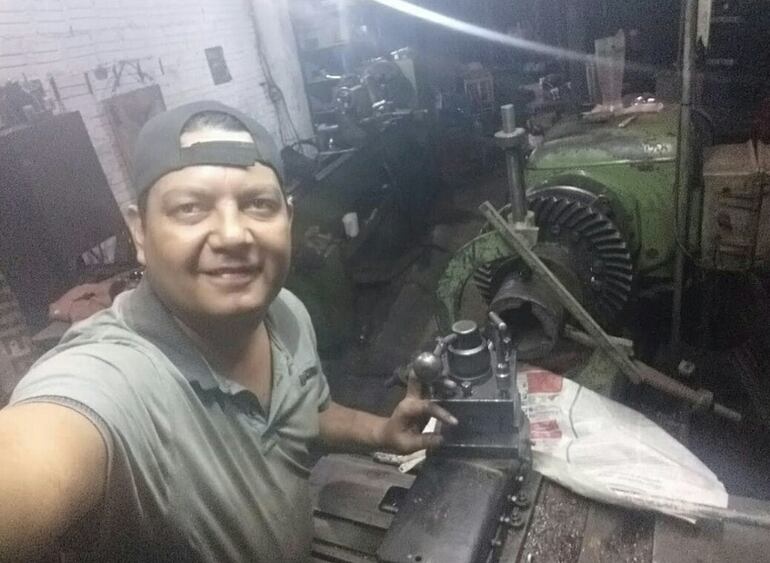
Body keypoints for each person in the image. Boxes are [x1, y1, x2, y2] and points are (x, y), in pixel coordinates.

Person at [0, 100, 456, 562]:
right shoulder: (114, 378)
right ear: (140, 232)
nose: (234, 234)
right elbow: (34, 460)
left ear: (288, 219)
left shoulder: (285, 312)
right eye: (190, 208)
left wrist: (382, 432)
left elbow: (308, 413)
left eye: (259, 204)